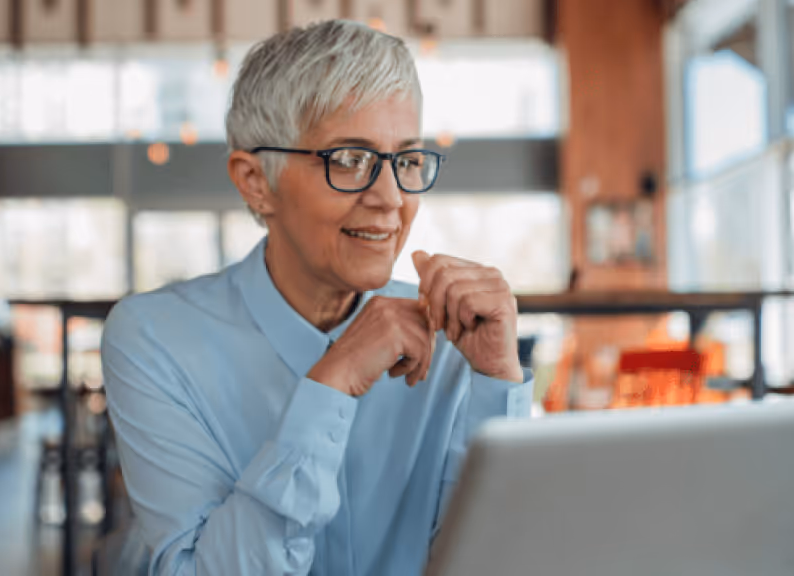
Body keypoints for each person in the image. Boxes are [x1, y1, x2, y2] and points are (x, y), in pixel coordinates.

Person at [101, 19, 533, 575]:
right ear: (256, 181)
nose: (390, 198)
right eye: (349, 160)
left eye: (405, 160)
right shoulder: (153, 339)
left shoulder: (453, 339)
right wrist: (336, 378)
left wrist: (497, 381)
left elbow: (495, 560)